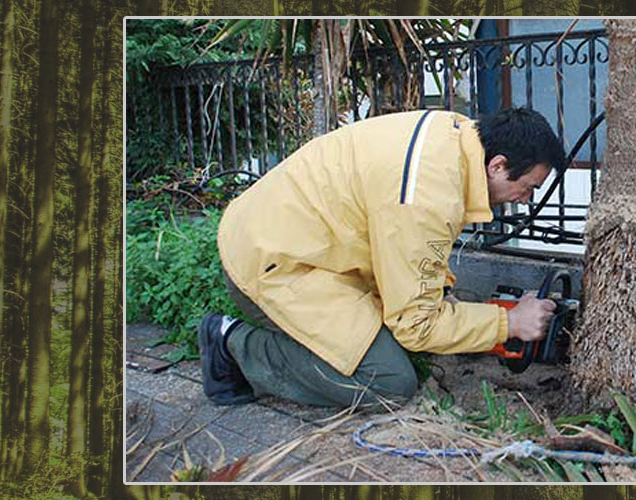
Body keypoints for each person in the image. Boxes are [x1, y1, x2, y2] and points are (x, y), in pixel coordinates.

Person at [199, 108, 568, 409]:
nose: (525, 200)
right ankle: (233, 344)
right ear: (498, 165)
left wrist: (455, 303)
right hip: (273, 262)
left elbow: (417, 252)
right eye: (528, 188)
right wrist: (508, 323)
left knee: (412, 322)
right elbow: (415, 326)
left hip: (290, 237)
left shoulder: (456, 137)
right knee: (388, 382)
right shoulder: (427, 196)